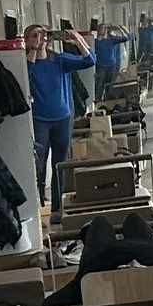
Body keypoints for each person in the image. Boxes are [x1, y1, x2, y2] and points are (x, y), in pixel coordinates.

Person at [24, 23, 95, 215]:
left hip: (63, 118)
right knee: (39, 163)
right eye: (34, 35)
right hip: (40, 120)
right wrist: (33, 49)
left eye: (43, 34)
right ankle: (39, 202)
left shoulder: (60, 60)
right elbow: (25, 77)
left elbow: (90, 61)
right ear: (27, 40)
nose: (40, 38)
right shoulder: (26, 64)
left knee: (59, 164)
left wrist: (78, 40)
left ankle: (57, 207)